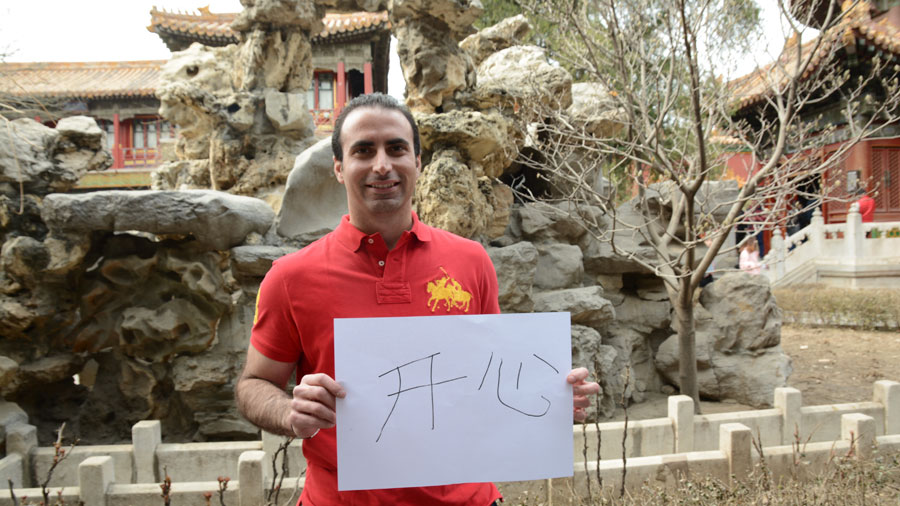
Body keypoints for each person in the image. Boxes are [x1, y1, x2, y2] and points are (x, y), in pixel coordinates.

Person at [234, 93, 600, 506]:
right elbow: (254, 384)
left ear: (418, 162)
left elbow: (490, 382)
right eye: (363, 151)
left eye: (396, 148)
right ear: (338, 167)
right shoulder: (290, 278)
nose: (382, 165)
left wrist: (550, 397)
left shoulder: (471, 261)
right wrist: (288, 412)